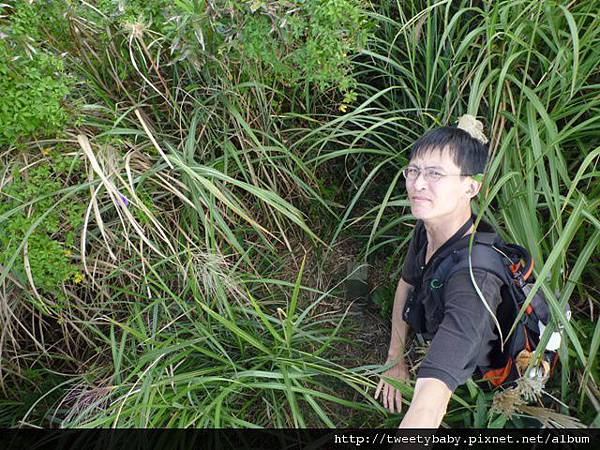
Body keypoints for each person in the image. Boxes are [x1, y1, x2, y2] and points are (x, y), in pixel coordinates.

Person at [374, 115, 505, 428]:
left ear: (471, 186)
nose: (418, 184)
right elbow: (407, 284)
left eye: (435, 174)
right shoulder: (429, 225)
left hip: (481, 376)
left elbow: (428, 408)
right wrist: (395, 357)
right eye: (414, 170)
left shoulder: (473, 280)